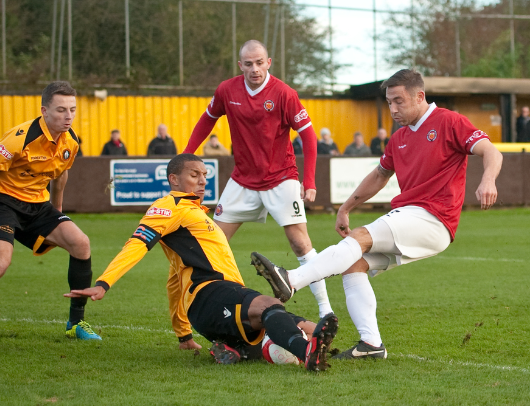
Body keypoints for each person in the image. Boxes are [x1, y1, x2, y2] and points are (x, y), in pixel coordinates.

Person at [251, 69, 502, 360]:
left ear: (420, 96)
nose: (393, 109)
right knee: (354, 265)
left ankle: (291, 280)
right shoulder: (399, 138)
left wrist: (488, 180)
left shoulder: (448, 121)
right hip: (413, 218)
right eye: (389, 102)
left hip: (433, 218)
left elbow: (491, 152)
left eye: (399, 101)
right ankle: (371, 344)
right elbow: (380, 174)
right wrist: (346, 207)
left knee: (361, 237)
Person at [65, 154, 339, 372]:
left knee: (300, 325)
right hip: (209, 294)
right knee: (269, 305)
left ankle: (240, 350)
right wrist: (104, 283)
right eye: (194, 175)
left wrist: (184, 336)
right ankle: (307, 355)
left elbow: (175, 280)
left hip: (214, 304)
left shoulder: (197, 214)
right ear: (173, 178)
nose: (202, 180)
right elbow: (137, 243)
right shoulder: (169, 206)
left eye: (205, 175)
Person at [0, 81, 101, 345]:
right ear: (44, 111)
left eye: (72, 109)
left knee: (81, 243)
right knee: (0, 261)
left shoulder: (71, 141)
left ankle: (76, 324)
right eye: (60, 110)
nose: (68, 116)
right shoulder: (20, 137)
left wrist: (57, 213)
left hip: (38, 206)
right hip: (3, 203)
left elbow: (60, 175)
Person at [183, 40, 334, 320]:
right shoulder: (227, 90)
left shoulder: (285, 94)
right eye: (248, 64)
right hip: (242, 180)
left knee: (301, 244)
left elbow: (309, 136)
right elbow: (207, 119)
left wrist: (309, 181)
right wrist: (187, 155)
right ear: (240, 65)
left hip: (281, 178)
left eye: (259, 62)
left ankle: (326, 309)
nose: (254, 69)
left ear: (269, 62)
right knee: (212, 242)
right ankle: (219, 305)